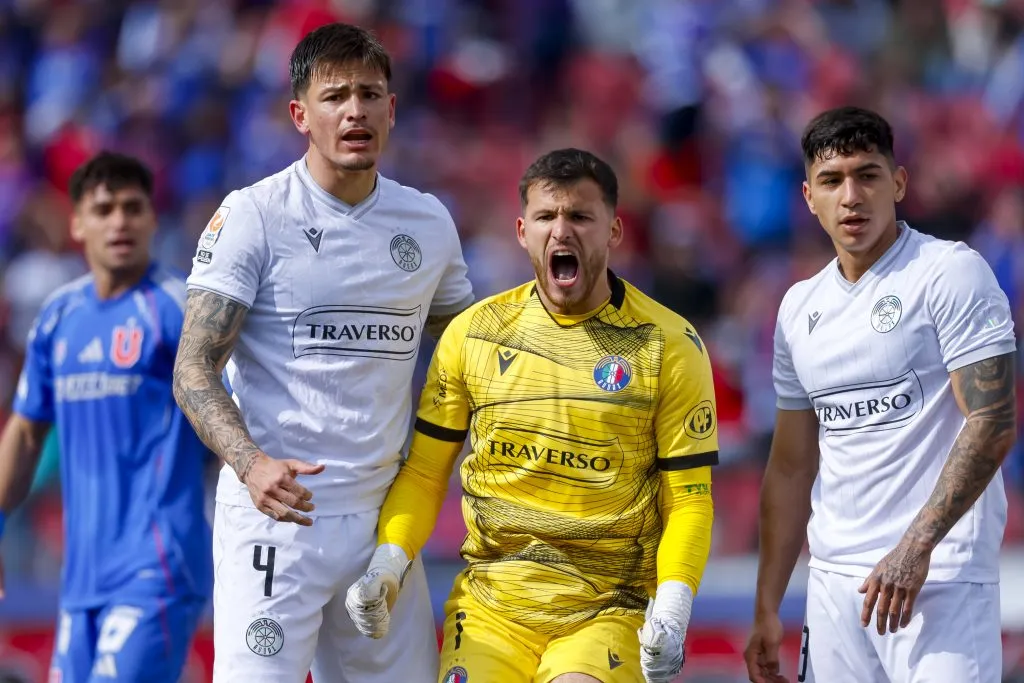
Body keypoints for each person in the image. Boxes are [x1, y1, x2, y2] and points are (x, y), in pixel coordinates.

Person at [344, 148, 718, 683]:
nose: (561, 231)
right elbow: (425, 472)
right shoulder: (474, 334)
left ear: (613, 231)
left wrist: (673, 610)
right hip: (492, 606)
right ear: (522, 231)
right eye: (546, 216)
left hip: (608, 608)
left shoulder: (668, 345)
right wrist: (388, 565)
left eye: (580, 216)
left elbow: (688, 498)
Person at [171, 22, 474, 683]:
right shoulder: (253, 215)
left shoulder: (427, 223)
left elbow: (466, 355)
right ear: (300, 115)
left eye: (369, 94)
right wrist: (250, 464)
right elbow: (192, 367)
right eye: (335, 96)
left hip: (381, 527)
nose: (355, 111)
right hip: (275, 521)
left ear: (392, 109)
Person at [744, 106, 1017, 683]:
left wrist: (915, 547)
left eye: (867, 175)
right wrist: (768, 604)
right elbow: (791, 466)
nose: (851, 197)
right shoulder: (798, 308)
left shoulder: (949, 273)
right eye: (831, 180)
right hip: (834, 589)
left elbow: (993, 419)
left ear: (898, 183)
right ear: (808, 197)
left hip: (940, 580)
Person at [0, 151, 212, 682]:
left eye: (133, 208)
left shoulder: (177, 310)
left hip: (158, 567)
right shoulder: (58, 316)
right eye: (104, 209)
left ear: (152, 220)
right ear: (77, 223)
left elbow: (228, 414)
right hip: (81, 579)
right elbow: (25, 432)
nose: (120, 222)